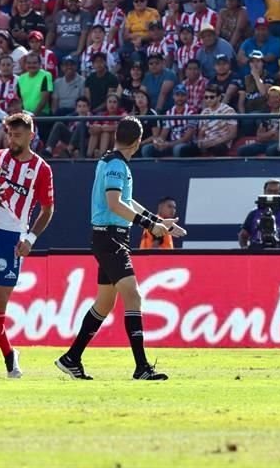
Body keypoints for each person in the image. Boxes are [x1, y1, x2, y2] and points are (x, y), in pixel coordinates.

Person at [56, 116, 186, 381]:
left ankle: (71, 358)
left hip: (108, 237)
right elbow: (115, 204)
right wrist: (149, 226)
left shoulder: (110, 161)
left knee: (104, 303)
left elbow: (126, 201)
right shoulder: (116, 165)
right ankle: (141, 367)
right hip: (111, 238)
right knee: (134, 297)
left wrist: (157, 221)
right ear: (138, 142)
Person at [0, 113, 54, 379]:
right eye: (10, 134)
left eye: (18, 135)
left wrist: (30, 239)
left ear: (31, 135)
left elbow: (47, 209)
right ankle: (8, 354)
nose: (13, 140)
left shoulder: (41, 169)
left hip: (12, 238)